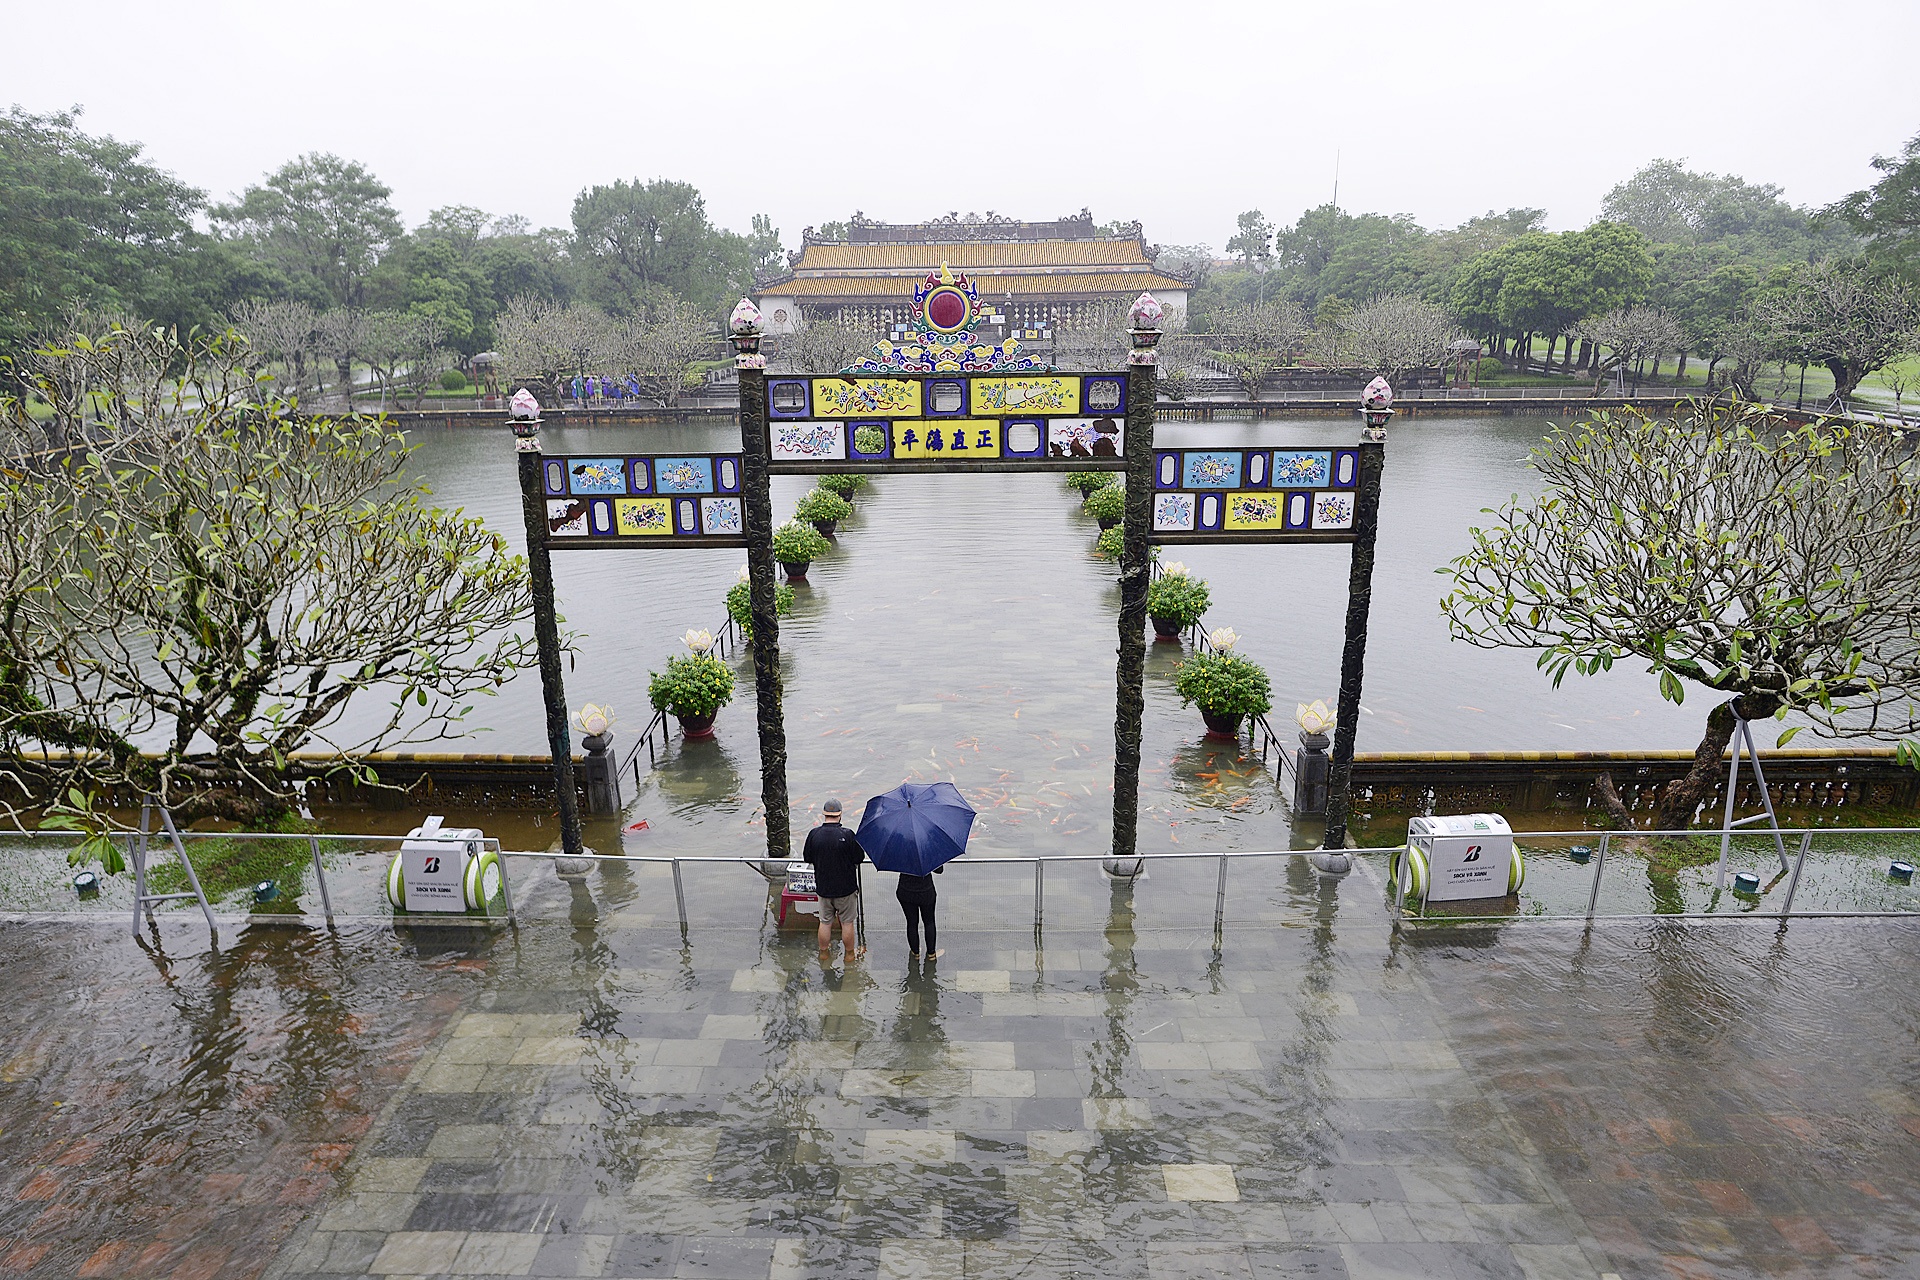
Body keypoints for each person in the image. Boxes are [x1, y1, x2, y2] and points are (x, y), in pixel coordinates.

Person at [803, 798, 865, 963]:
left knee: (825, 922)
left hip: (823, 887)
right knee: (847, 923)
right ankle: (849, 954)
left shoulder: (814, 834)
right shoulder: (848, 834)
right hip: (846, 889)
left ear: (824, 814)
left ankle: (823, 952)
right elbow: (858, 858)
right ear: (840, 814)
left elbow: (807, 857)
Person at [896, 864, 944, 959]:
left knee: (911, 923)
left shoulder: (900, 849)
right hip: (925, 891)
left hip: (905, 891)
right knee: (929, 922)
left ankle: (915, 952)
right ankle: (931, 954)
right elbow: (939, 870)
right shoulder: (927, 849)